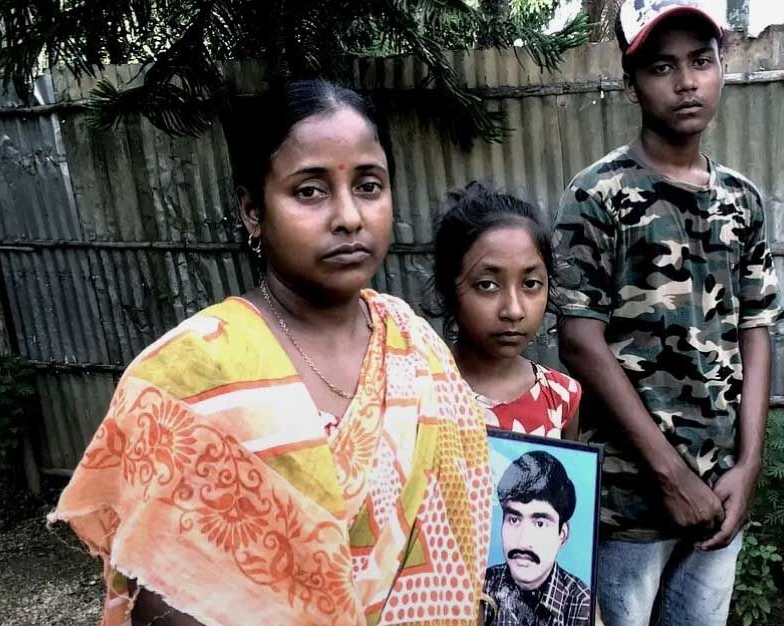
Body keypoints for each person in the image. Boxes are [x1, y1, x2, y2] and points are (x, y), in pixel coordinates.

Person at [48, 80, 493, 626]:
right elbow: (163, 587)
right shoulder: (192, 372)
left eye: (368, 186)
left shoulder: (416, 347)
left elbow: (465, 527)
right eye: (310, 191)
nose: (349, 216)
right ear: (252, 211)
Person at [552, 2, 784, 625]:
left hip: (720, 494)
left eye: (701, 61)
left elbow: (757, 328)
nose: (686, 82)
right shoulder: (597, 194)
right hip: (629, 502)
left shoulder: (742, 199)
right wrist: (670, 477)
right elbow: (579, 341)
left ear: (722, 67)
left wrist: (749, 466)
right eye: (661, 66)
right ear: (632, 82)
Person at [429, 181, 582, 441]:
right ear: (448, 288)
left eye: (530, 284)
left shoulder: (561, 397)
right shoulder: (420, 394)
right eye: (487, 285)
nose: (513, 310)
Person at [481, 450, 591, 626]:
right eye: (514, 520)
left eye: (540, 524)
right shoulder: (482, 585)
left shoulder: (579, 602)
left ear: (562, 535)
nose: (523, 541)